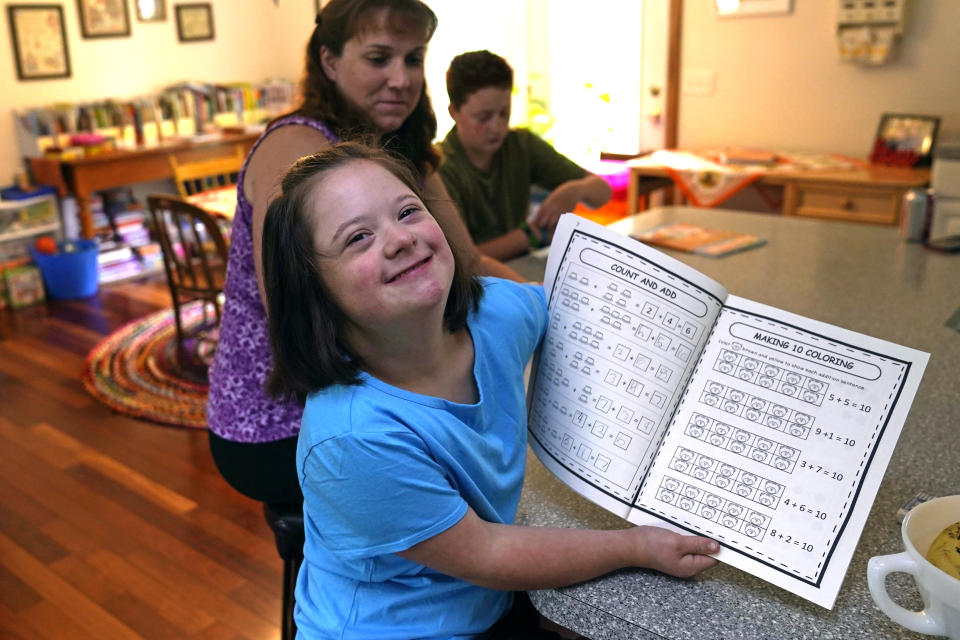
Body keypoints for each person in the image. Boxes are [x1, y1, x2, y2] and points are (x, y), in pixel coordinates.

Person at [262, 141, 720, 639]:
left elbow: (585, 313)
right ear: (313, 290)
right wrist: (635, 547)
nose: (398, 239)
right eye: (358, 238)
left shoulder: (495, 313)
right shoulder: (352, 438)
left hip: (486, 601)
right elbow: (487, 554)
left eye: (408, 211)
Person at [206, 0, 521, 506]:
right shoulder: (297, 151)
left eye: (413, 59)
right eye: (379, 58)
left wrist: (560, 304)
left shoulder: (397, 145)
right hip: (285, 422)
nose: (400, 78)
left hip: (373, 393)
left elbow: (470, 262)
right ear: (329, 61)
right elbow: (297, 315)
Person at [438, 50, 612, 261]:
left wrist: (576, 190)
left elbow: (603, 192)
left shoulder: (520, 145)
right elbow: (461, 260)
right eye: (483, 117)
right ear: (454, 112)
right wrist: (532, 235)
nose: (497, 126)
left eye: (504, 113)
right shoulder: (439, 167)